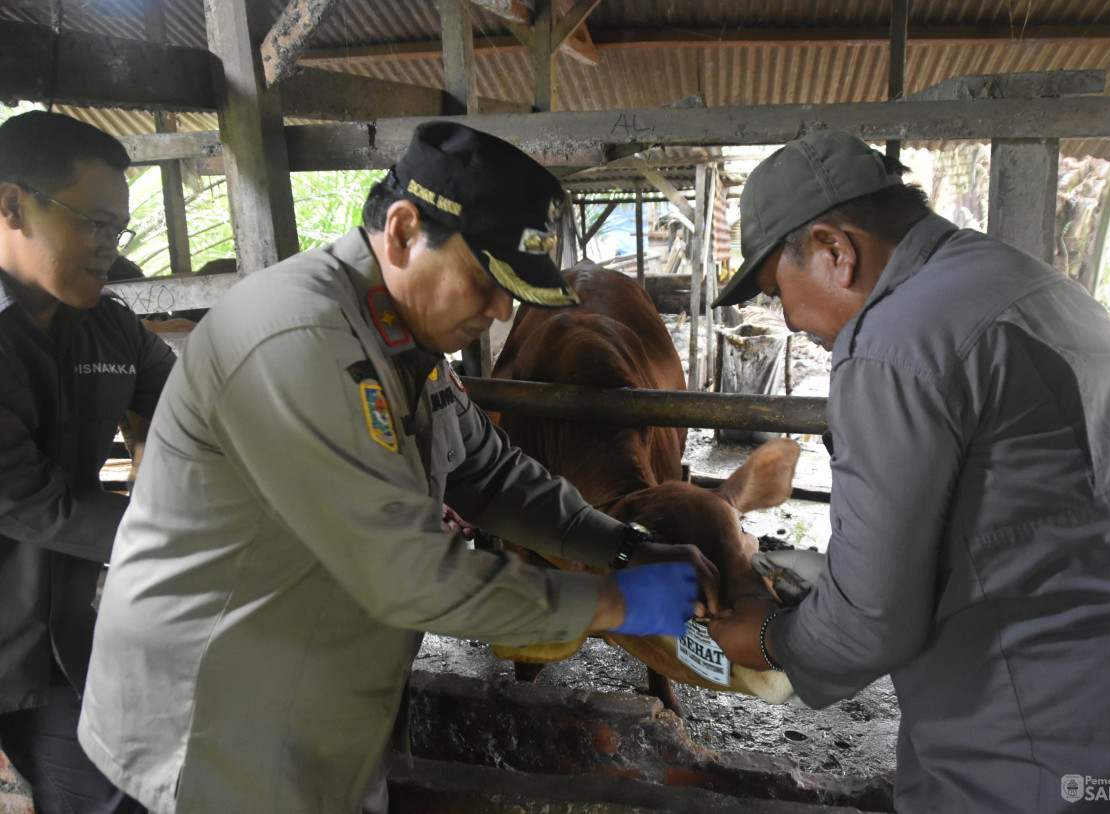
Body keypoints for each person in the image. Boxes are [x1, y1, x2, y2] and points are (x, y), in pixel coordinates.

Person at [78, 121, 718, 814]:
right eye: (488, 279)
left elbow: (491, 473)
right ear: (406, 230)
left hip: (313, 714)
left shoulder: (400, 343)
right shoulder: (298, 338)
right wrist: (616, 602)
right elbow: (408, 574)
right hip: (211, 735)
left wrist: (620, 543)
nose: (504, 310)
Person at [707, 129, 1110, 812]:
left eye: (778, 290)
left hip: (1041, 748)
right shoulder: (1035, 284)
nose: (794, 321)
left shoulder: (892, 342)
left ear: (834, 251)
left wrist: (771, 637)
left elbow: (872, 621)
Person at [0, 111, 176, 813]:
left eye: (118, 229)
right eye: (93, 223)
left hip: (75, 642)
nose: (109, 247)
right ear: (11, 204)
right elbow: (30, 499)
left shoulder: (109, 323)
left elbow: (187, 407)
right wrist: (183, 534)